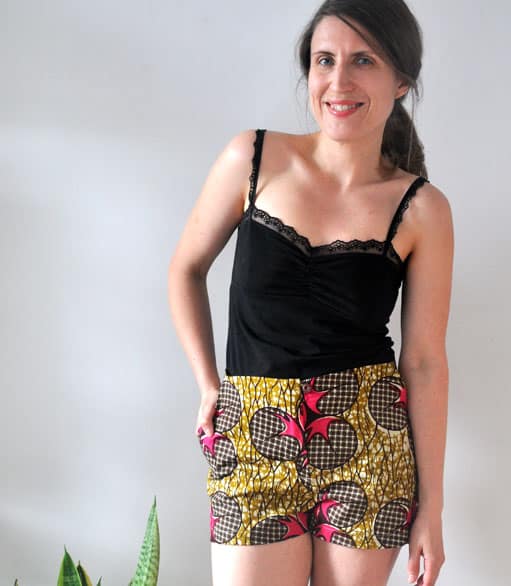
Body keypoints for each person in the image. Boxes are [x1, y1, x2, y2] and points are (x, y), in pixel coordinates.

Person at [168, 0, 453, 584]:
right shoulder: (252, 158)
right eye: (325, 60)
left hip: (368, 440)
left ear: (402, 80)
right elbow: (185, 270)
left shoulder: (423, 208)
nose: (339, 81)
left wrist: (433, 507)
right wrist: (208, 385)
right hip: (251, 432)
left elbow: (424, 361)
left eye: (363, 60)